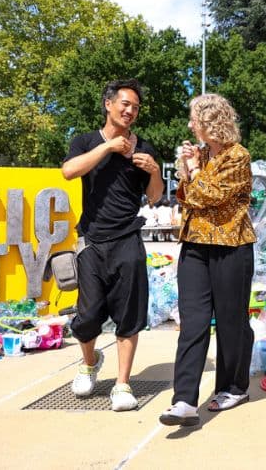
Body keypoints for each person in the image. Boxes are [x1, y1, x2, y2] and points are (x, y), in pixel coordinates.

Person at [61, 79, 163, 412]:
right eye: (124, 104)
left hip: (128, 239)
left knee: (129, 314)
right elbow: (68, 171)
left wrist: (155, 171)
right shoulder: (86, 141)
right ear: (108, 104)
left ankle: (122, 384)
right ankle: (90, 363)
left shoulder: (145, 146)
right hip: (91, 241)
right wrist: (108, 147)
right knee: (88, 316)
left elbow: (155, 197)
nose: (130, 111)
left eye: (135, 107)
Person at [160, 94, 257, 427]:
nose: (190, 125)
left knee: (231, 322)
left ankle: (235, 386)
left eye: (194, 119)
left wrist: (195, 170)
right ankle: (184, 399)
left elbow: (211, 196)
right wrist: (186, 168)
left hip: (231, 245)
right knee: (193, 322)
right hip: (195, 245)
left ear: (210, 121)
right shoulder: (200, 155)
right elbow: (186, 196)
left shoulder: (237, 156)